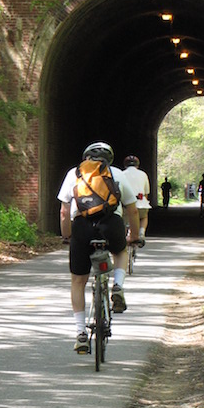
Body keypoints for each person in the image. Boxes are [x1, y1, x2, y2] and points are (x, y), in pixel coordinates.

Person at [58, 141, 139, 354]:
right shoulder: (117, 174)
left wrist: (67, 235)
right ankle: (118, 286)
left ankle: (81, 333)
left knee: (78, 281)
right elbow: (132, 209)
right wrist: (135, 236)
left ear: (86, 158)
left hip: (82, 227)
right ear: (109, 159)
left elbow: (64, 212)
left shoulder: (73, 174)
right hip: (111, 225)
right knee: (120, 251)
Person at [121, 155, 151, 242]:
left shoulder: (122, 174)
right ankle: (141, 232)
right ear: (137, 165)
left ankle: (124, 235)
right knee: (144, 217)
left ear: (125, 165)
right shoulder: (143, 174)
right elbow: (146, 193)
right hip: (140, 203)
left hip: (125, 206)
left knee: (124, 220)